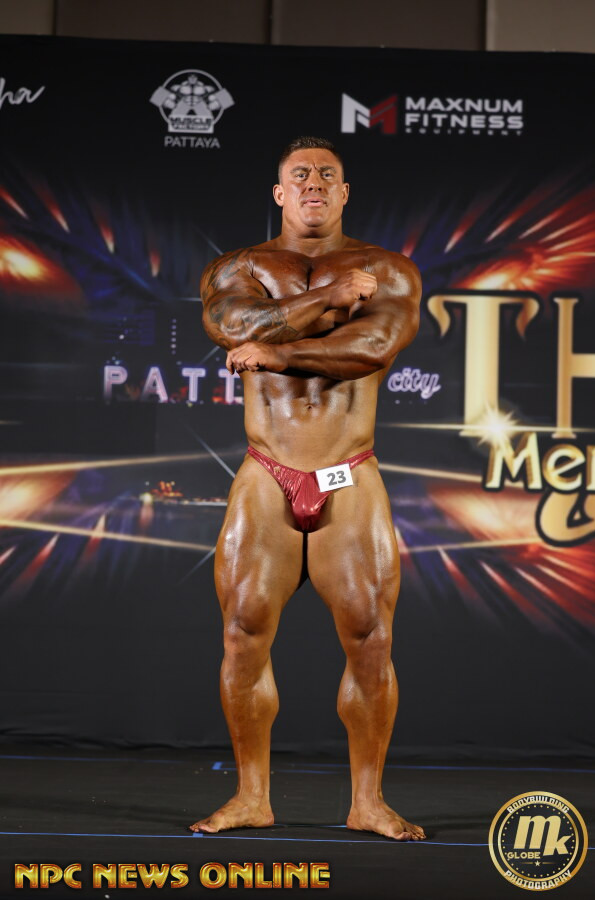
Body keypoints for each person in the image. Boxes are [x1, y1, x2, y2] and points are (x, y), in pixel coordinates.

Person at [190, 136, 425, 841]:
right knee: (242, 635)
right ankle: (251, 797)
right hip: (268, 470)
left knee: (371, 638)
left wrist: (274, 349)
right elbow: (232, 325)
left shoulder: (387, 269)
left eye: (328, 174)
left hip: (348, 471)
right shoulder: (238, 266)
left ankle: (368, 802)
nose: (314, 182)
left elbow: (371, 348)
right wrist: (329, 298)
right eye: (301, 174)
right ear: (279, 193)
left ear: (345, 192)